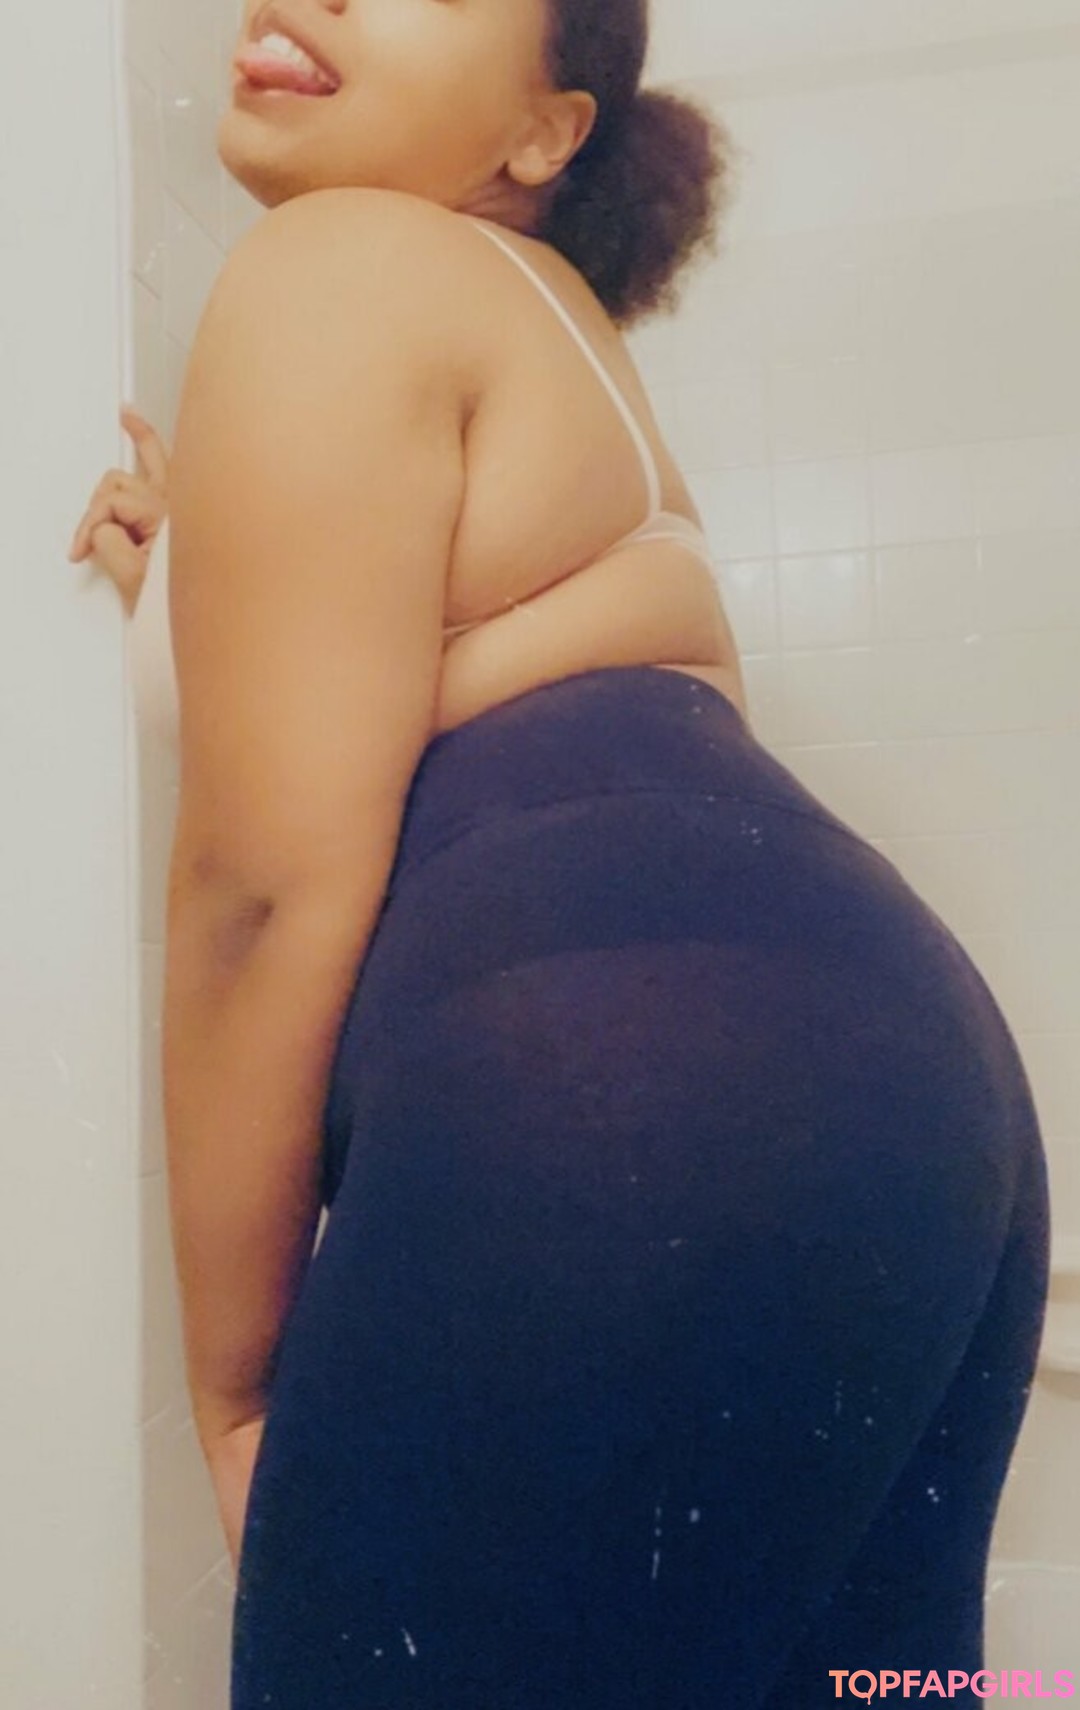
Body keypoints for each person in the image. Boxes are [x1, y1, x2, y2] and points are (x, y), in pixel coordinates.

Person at [69, 1, 1050, 1705]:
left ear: (546, 129)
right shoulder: (560, 347)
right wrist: (192, 589)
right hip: (927, 1098)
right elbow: (481, 702)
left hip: (617, 1092)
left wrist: (234, 1385)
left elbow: (267, 887)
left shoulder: (335, 261)